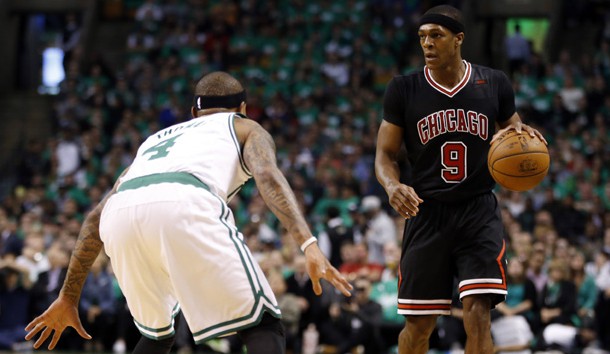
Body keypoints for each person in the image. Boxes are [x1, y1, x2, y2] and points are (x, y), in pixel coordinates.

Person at [24, 71, 352, 354]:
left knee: (157, 336)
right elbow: (267, 175)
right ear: (242, 109)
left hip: (118, 213)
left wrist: (68, 297)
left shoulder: (153, 140)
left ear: (194, 112)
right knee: (263, 322)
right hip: (184, 201)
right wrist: (308, 242)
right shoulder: (245, 127)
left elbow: (96, 217)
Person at [374, 5, 547, 354]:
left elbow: (514, 131)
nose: (427, 44)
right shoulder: (403, 88)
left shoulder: (494, 82)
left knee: (478, 312)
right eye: (422, 36)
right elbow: (385, 155)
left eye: (436, 35)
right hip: (426, 211)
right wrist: (392, 185)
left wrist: (526, 138)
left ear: (459, 39)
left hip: (477, 209)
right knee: (419, 324)